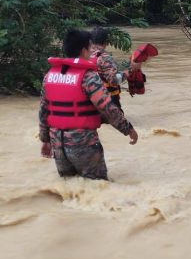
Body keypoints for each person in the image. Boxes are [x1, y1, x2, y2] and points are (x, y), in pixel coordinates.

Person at [39, 29, 138, 180]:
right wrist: (128, 129)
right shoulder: (88, 76)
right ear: (84, 49)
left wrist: (45, 140)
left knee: (69, 186)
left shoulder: (50, 76)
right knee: (98, 186)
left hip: (57, 143)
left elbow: (43, 112)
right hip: (83, 142)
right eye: (89, 47)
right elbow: (107, 108)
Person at [89, 27, 130, 112]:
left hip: (89, 101)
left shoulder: (84, 55)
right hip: (107, 102)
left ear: (90, 41)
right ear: (105, 43)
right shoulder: (105, 58)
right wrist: (127, 73)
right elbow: (113, 81)